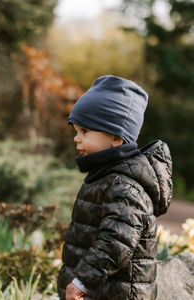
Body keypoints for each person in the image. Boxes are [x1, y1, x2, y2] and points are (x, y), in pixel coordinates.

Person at [57, 75, 173, 300]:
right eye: (76, 131)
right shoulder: (106, 176)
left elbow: (115, 243)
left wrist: (82, 281)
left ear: (117, 138)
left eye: (85, 132)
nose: (76, 139)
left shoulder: (126, 187)